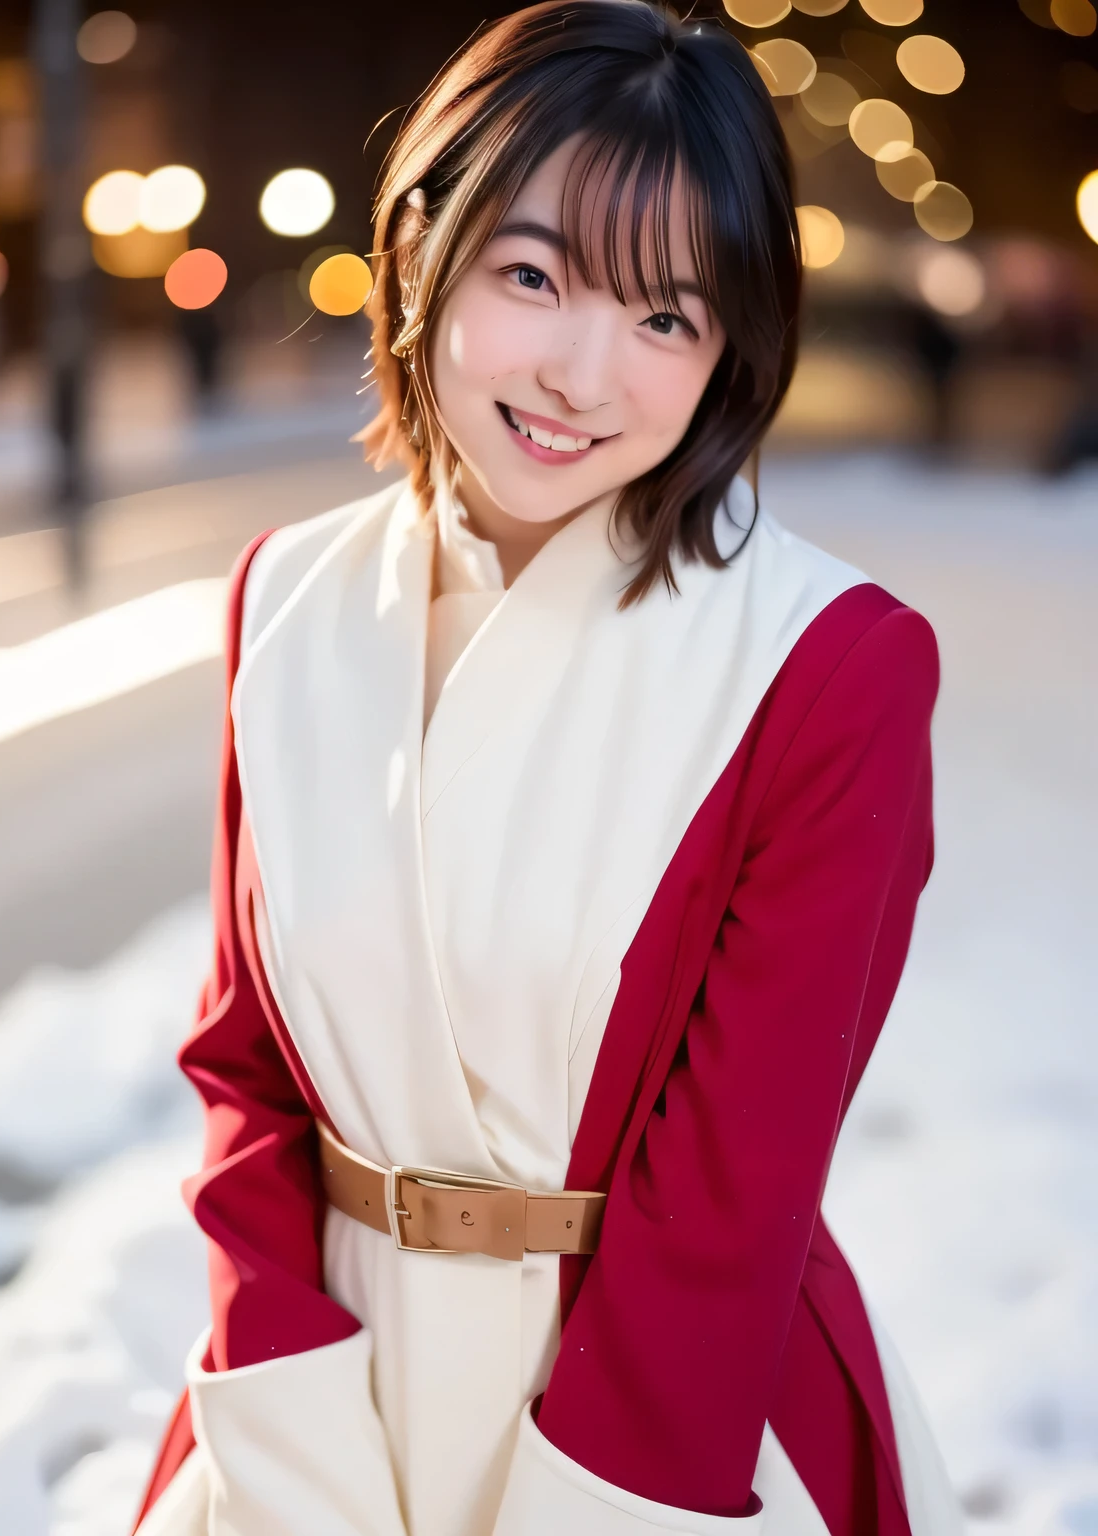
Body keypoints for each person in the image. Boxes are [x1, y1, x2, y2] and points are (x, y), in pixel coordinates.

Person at [134, 5, 963, 1533]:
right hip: (320, 1391)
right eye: (535, 277)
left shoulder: (823, 666)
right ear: (420, 247)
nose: (586, 373)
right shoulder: (289, 599)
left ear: (733, 348)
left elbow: (735, 1198)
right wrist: (288, 1431)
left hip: (660, 1426)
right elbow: (247, 1074)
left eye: (668, 316)